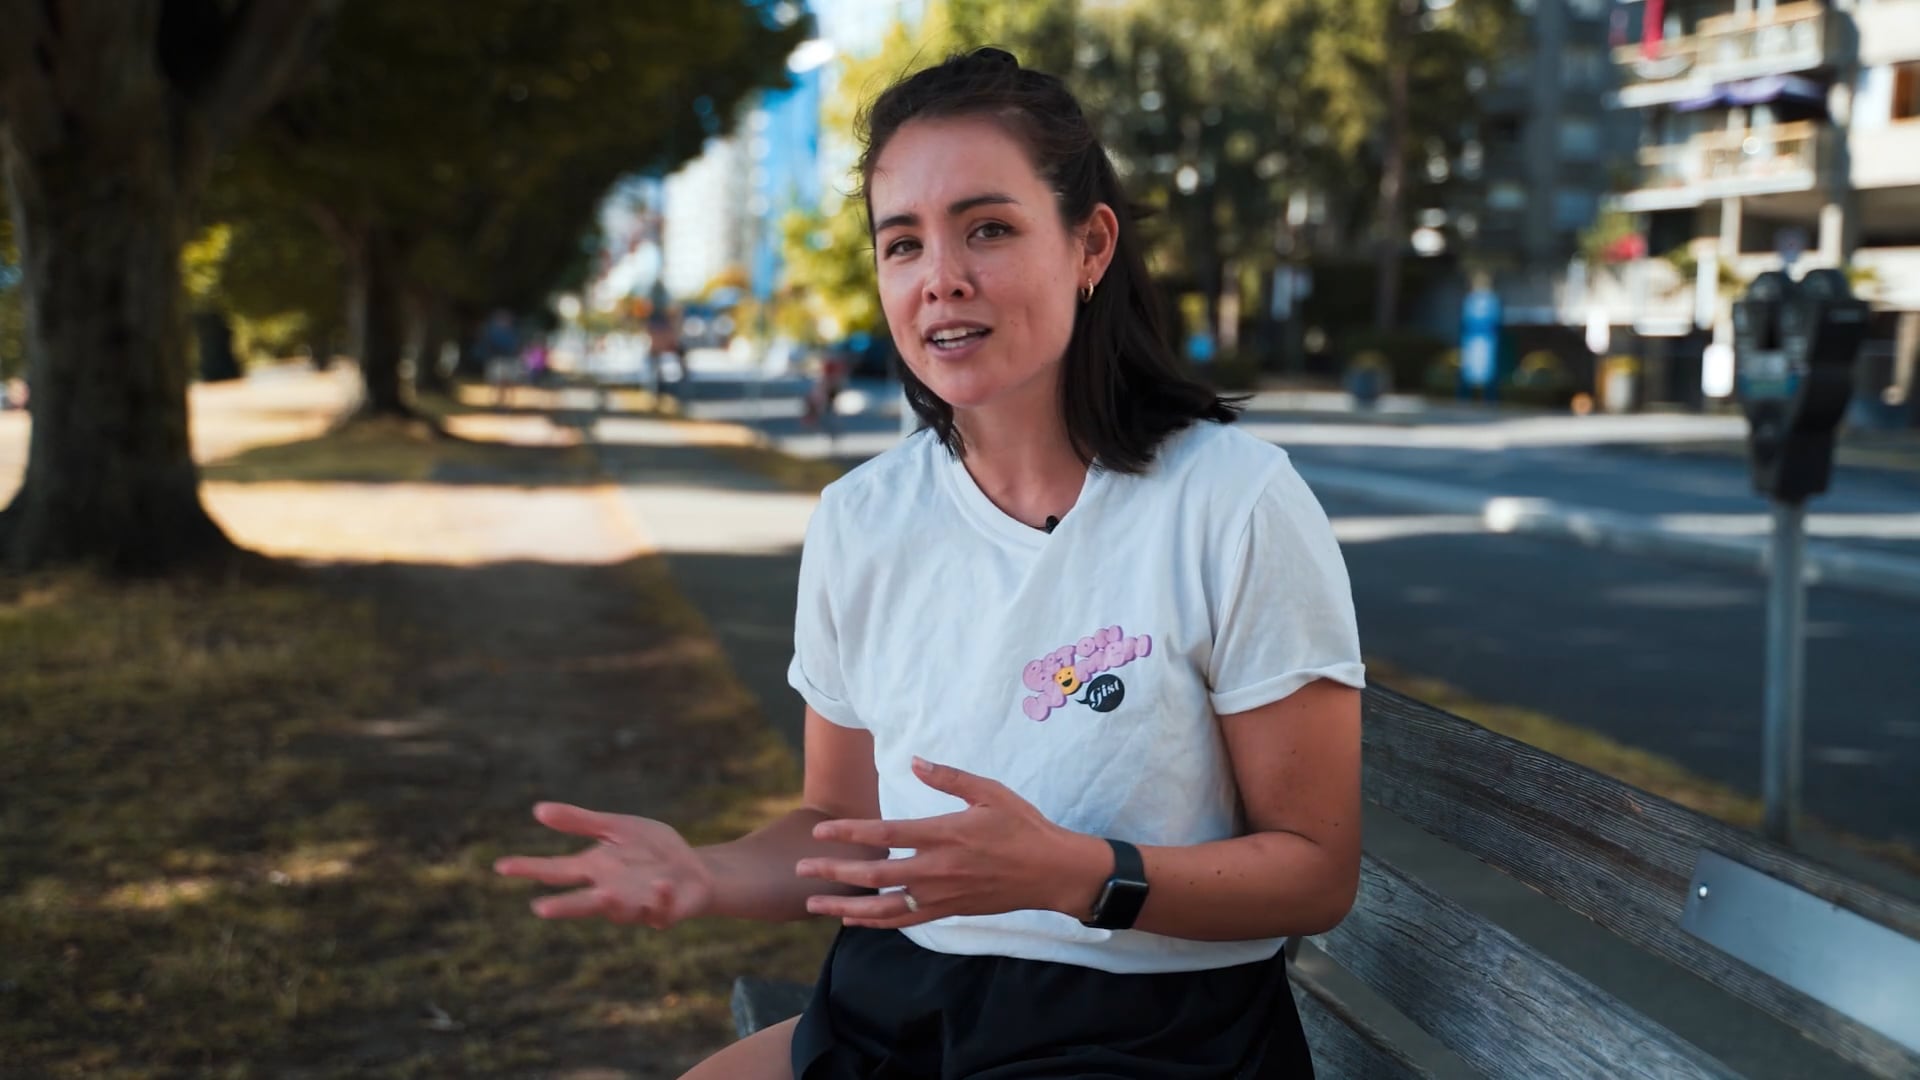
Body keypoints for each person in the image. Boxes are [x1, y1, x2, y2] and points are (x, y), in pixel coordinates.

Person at [495, 47, 1364, 1079]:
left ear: (1090, 245)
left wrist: (1077, 876)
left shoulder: (1231, 504)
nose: (941, 275)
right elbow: (840, 823)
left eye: (987, 228)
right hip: (901, 1002)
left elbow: (1313, 876)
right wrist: (706, 873)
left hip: (1150, 1032)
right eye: (902, 243)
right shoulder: (861, 520)